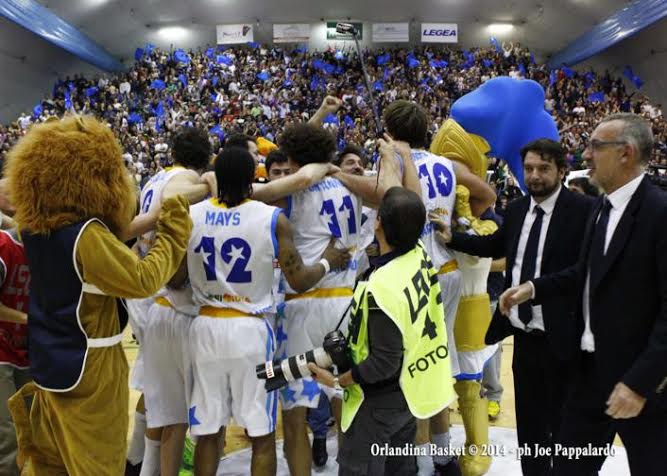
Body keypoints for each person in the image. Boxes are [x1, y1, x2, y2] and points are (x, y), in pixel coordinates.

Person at [4, 115, 192, 476]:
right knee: (98, 466)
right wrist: (174, 226)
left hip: (48, 365)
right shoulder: (86, 235)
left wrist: (147, 220)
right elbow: (143, 278)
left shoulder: (31, 227)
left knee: (51, 465)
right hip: (90, 368)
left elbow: (106, 240)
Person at [500, 113, 667, 475]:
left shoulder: (659, 212)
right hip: (589, 372)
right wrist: (532, 288)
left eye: (595, 146)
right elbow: (584, 274)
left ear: (626, 153)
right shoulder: (601, 208)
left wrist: (640, 382)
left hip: (639, 384)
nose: (585, 156)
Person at [185, 147, 351, 476]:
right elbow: (300, 280)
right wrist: (327, 261)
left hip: (204, 327)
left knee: (207, 432)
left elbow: (176, 276)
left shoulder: (192, 215)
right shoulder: (272, 218)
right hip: (250, 329)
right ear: (253, 178)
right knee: (261, 435)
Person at [437, 139, 594, 475]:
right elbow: (494, 244)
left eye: (544, 169)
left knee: (564, 426)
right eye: (529, 169)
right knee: (531, 428)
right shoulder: (520, 208)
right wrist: (453, 238)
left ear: (562, 171)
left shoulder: (583, 211)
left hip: (562, 336)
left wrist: (535, 289)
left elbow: (584, 271)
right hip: (522, 336)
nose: (535, 176)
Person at [308, 187, 456, 476]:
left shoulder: (382, 286)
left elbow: (383, 362)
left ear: (378, 223)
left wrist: (338, 380)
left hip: (376, 403)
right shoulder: (420, 253)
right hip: (409, 392)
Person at [138, 127, 215, 476]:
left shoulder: (155, 176)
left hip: (156, 301)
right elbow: (175, 202)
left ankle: (141, 467)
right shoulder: (183, 178)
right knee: (187, 415)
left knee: (164, 410)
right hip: (175, 298)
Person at [0, 228, 30, 476]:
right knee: (8, 433)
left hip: (25, 350)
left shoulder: (48, 251)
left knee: (27, 430)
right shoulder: (4, 245)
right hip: (1, 350)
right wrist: (28, 318)